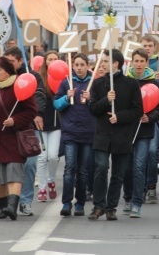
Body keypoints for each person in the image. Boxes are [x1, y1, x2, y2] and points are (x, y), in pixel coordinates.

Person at [0, 56, 38, 220]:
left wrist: (15, 120)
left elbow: (31, 111)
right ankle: (1, 208)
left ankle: (12, 207)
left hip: (13, 137)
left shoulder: (19, 85)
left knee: (14, 172)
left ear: (8, 71)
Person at [87, 49, 143, 221]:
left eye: (105, 61)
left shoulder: (131, 84)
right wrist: (106, 100)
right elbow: (93, 109)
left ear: (115, 63)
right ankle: (98, 206)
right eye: (101, 61)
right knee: (101, 168)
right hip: (103, 134)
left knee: (118, 173)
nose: (101, 64)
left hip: (122, 135)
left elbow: (137, 110)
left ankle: (111, 207)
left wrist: (119, 117)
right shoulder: (98, 84)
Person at [3, 46, 47, 217]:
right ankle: (9, 200)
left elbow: (40, 95)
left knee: (29, 164)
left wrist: (38, 114)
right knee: (9, 165)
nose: (8, 64)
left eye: (12, 61)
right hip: (8, 127)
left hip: (28, 128)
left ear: (21, 61)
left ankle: (26, 201)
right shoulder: (3, 76)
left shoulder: (33, 76)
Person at [122, 49, 159, 217]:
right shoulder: (126, 81)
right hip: (127, 131)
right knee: (127, 168)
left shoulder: (154, 82)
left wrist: (150, 117)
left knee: (139, 167)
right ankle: (127, 197)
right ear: (131, 62)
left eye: (142, 61)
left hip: (145, 131)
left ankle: (137, 203)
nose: (139, 64)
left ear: (147, 63)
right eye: (136, 61)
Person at [54, 53, 94, 217]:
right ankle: (66, 202)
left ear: (87, 65)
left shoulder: (93, 83)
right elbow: (56, 104)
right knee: (69, 168)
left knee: (83, 170)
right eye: (76, 65)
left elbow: (99, 107)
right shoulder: (66, 83)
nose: (78, 68)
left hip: (87, 133)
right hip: (70, 132)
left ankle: (80, 203)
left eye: (81, 64)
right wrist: (66, 97)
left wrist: (90, 99)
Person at [141, 35, 159, 203]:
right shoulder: (134, 66)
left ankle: (151, 185)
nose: (147, 48)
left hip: (154, 117)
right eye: (144, 45)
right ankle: (141, 187)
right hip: (138, 117)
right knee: (140, 155)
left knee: (153, 152)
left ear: (155, 47)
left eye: (150, 45)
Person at [35, 51, 62, 205]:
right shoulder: (40, 78)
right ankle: (42, 188)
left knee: (53, 156)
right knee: (41, 157)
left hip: (56, 123)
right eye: (50, 59)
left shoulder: (64, 78)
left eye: (55, 59)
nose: (52, 62)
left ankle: (51, 180)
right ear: (45, 62)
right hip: (41, 122)